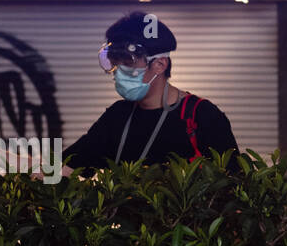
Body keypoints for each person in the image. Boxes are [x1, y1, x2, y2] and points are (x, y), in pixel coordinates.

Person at [60, 11, 239, 176]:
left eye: (128, 64)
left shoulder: (202, 115)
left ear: (160, 65)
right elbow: (71, 163)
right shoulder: (117, 116)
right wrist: (37, 166)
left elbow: (232, 182)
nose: (118, 73)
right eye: (114, 64)